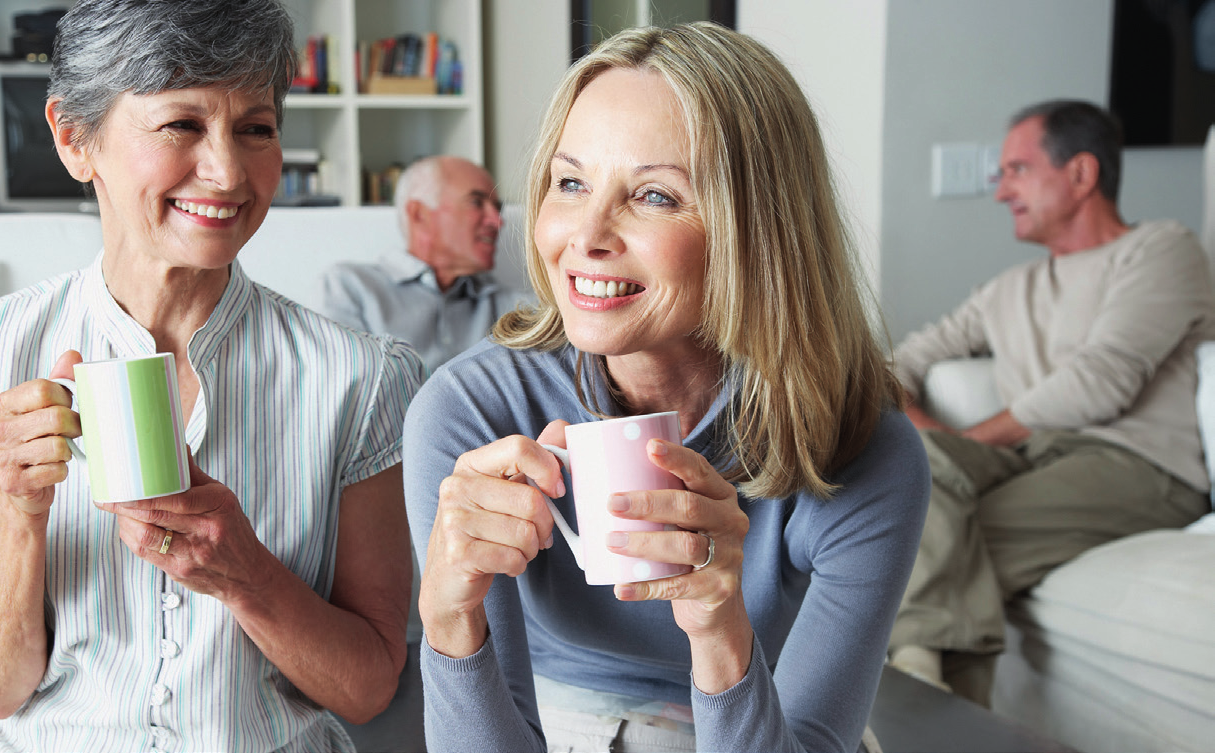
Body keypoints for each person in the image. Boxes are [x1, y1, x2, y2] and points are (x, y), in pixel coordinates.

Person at [405, 22, 931, 753]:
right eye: (572, 182)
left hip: (756, 715)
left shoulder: (865, 447)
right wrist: (447, 620)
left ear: (757, 229)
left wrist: (719, 629)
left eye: (654, 196)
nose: (585, 234)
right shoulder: (472, 413)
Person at [0, 1, 423, 750]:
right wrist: (19, 508)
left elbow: (368, 686)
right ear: (72, 137)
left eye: (256, 128)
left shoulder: (362, 377)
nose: (226, 172)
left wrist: (245, 573)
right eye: (181, 125)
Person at [889, 99, 1215, 704]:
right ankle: (931, 706)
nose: (1000, 191)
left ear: (1082, 174)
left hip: (1136, 467)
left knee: (938, 540)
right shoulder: (1007, 290)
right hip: (1032, 456)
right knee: (899, 472)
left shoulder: (1163, 251)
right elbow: (897, 365)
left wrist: (963, 443)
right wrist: (926, 436)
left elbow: (1102, 379)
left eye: (1016, 170)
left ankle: (925, 706)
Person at [319, 155, 525, 374]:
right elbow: (351, 390)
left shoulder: (509, 304)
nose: (497, 220)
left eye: (497, 207)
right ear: (419, 214)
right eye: (476, 202)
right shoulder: (349, 287)